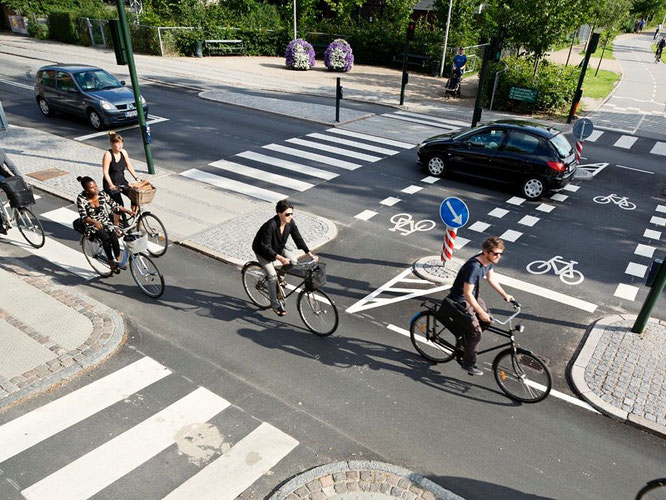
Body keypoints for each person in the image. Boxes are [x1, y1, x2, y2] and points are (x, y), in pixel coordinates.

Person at [446, 237, 514, 376]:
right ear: (485, 252)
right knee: (476, 332)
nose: (498, 257)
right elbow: (467, 294)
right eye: (495, 253)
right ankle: (468, 364)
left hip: (472, 297)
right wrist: (480, 312)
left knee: (488, 321)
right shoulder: (474, 267)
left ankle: (467, 341)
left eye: (500, 253)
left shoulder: (488, 262)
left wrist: (505, 295)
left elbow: (491, 278)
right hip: (461, 300)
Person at [252, 200, 317, 316]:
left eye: (291, 214)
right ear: (279, 213)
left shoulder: (290, 223)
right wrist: (281, 259)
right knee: (272, 276)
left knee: (293, 262)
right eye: (287, 214)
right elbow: (265, 246)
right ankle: (275, 305)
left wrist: (309, 254)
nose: (290, 216)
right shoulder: (270, 225)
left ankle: (280, 278)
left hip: (278, 247)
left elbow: (298, 238)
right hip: (262, 251)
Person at [76, 176, 135, 274]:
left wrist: (129, 211)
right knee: (106, 238)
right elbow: (84, 217)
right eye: (92, 188)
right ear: (86, 190)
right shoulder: (81, 199)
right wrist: (95, 222)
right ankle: (111, 263)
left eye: (96, 186)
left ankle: (118, 260)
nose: (96, 189)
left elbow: (115, 206)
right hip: (91, 224)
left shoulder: (102, 194)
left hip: (105, 221)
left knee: (114, 237)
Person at [102, 131, 142, 226]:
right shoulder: (108, 154)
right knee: (119, 205)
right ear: (112, 144)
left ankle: (134, 217)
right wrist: (111, 185)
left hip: (122, 181)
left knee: (134, 196)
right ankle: (116, 226)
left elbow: (129, 166)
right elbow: (105, 172)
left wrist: (137, 178)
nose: (120, 146)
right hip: (111, 183)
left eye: (121, 143)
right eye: (118, 143)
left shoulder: (124, 152)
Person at [0, 147, 22, 235]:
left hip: (2, 176)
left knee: (13, 189)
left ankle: (18, 206)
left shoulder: (0, 151)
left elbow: (11, 165)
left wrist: (20, 178)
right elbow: (11, 165)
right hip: (2, 176)